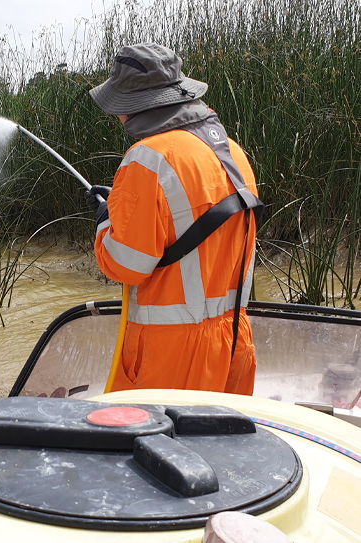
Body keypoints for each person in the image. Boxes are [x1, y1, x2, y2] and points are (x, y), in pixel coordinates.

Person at [86, 43, 262, 395]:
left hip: (172, 357)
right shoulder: (232, 152)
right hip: (233, 342)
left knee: (156, 448)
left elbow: (127, 264)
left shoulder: (146, 159)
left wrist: (105, 220)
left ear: (136, 108)